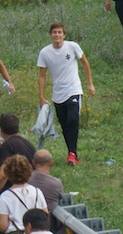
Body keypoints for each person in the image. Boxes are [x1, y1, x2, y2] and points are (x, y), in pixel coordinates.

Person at [36, 22, 95, 165]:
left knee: (73, 119)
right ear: (51, 35)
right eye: (54, 32)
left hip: (73, 90)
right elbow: (42, 75)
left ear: (64, 34)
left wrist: (90, 84)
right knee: (64, 124)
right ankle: (72, 153)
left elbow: (85, 63)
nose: (57, 35)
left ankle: (72, 153)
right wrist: (41, 96)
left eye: (59, 32)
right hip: (58, 94)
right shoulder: (45, 53)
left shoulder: (72, 47)